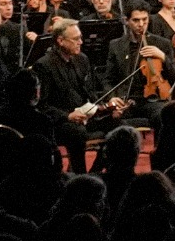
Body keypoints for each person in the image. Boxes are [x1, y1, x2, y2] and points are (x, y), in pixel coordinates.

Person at [33, 17, 124, 170]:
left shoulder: (82, 59)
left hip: (85, 115)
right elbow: (41, 105)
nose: (81, 42)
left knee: (120, 127)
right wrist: (67, 116)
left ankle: (95, 171)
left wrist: (106, 107)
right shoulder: (44, 65)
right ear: (60, 41)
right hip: (61, 121)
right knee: (77, 132)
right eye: (75, 39)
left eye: (80, 37)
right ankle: (79, 172)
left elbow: (91, 93)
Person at [105, 1, 175, 122]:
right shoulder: (116, 46)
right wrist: (112, 98)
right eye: (136, 20)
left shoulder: (162, 43)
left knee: (164, 114)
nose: (141, 24)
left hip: (154, 100)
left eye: (145, 20)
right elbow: (108, 80)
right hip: (127, 101)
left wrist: (163, 57)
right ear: (126, 21)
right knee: (112, 119)